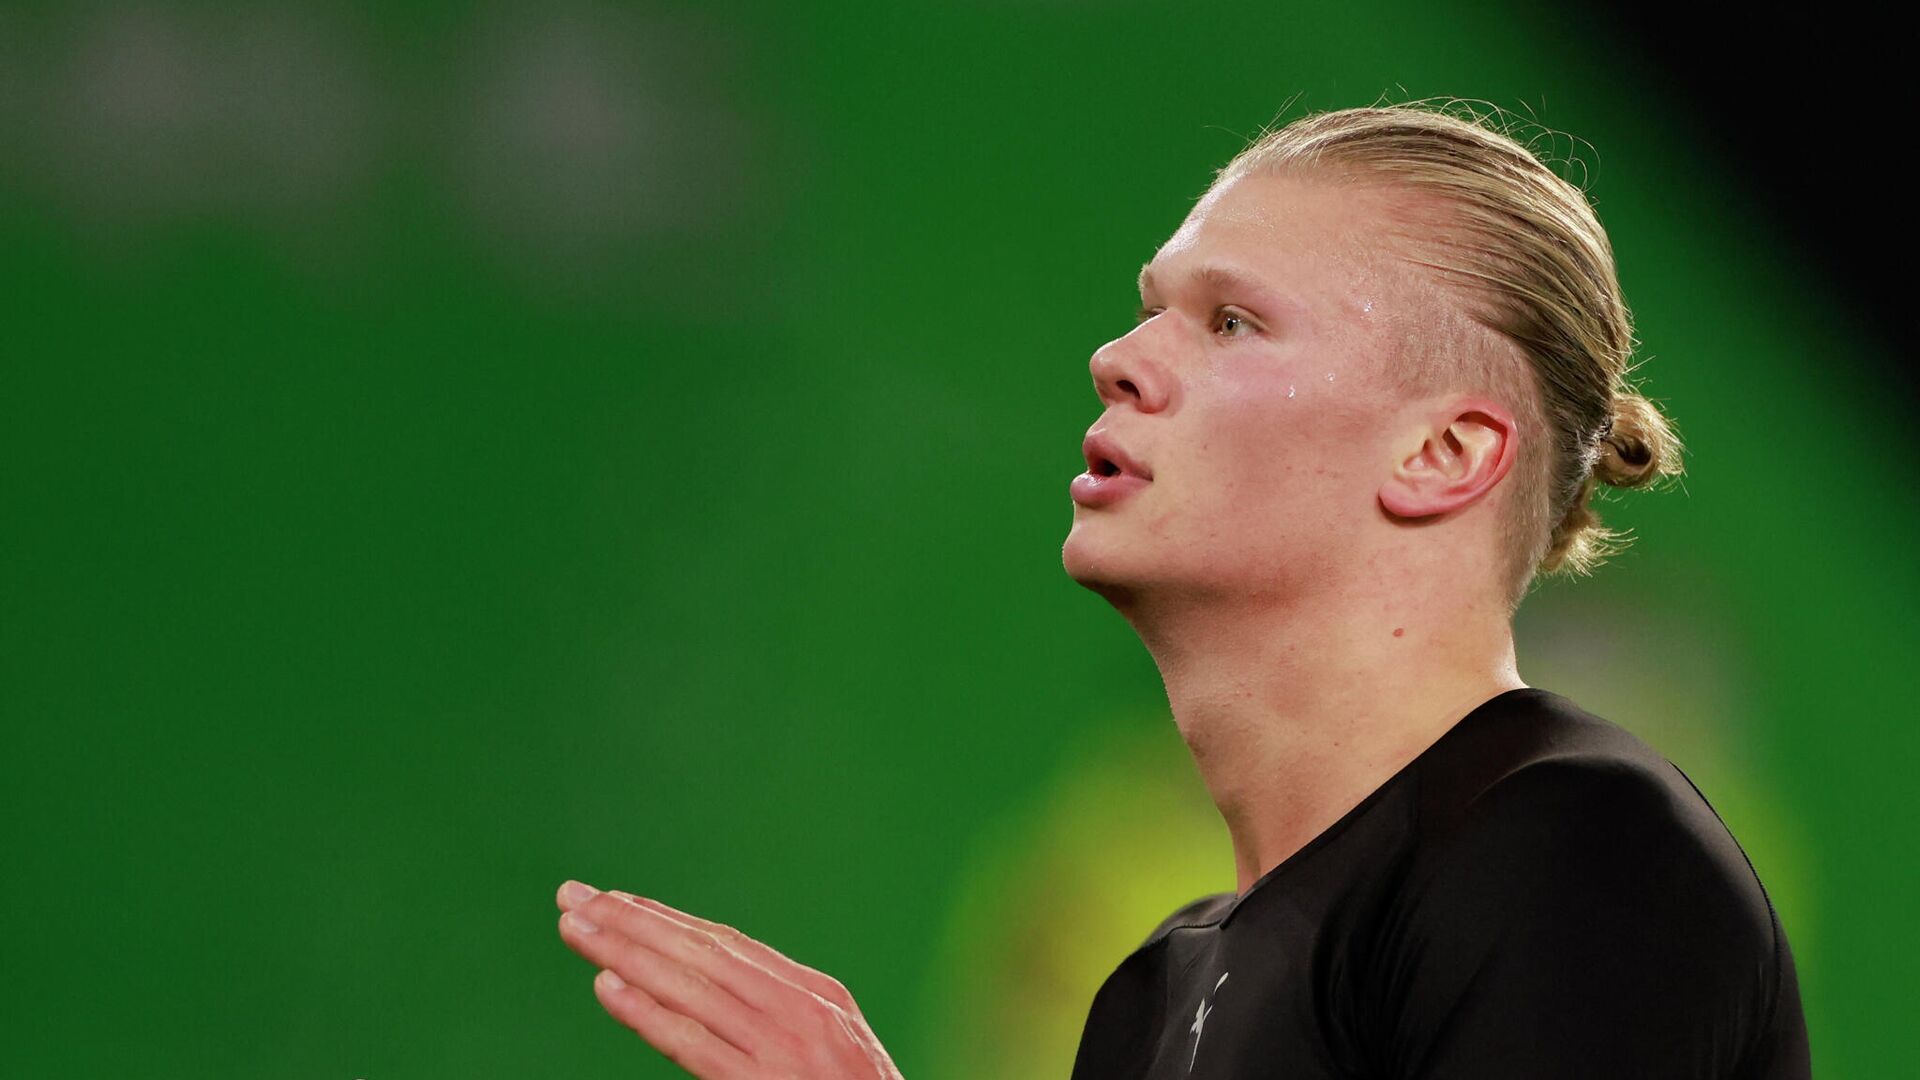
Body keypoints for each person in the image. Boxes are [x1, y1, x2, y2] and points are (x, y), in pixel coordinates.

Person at [551, 100, 1812, 1078]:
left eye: (1232, 324)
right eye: (1151, 309)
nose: (1118, 359)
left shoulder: (1579, 854)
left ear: (1444, 455)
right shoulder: (1159, 992)